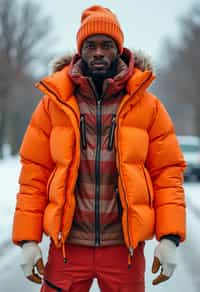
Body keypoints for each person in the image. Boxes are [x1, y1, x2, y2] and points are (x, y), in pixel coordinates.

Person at [12, 5, 186, 292]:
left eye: (107, 45)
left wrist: (169, 237)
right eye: (90, 45)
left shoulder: (148, 107)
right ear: (80, 51)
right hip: (67, 248)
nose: (98, 53)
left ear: (119, 49)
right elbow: (34, 175)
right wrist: (28, 240)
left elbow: (167, 174)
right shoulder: (53, 104)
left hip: (124, 252)